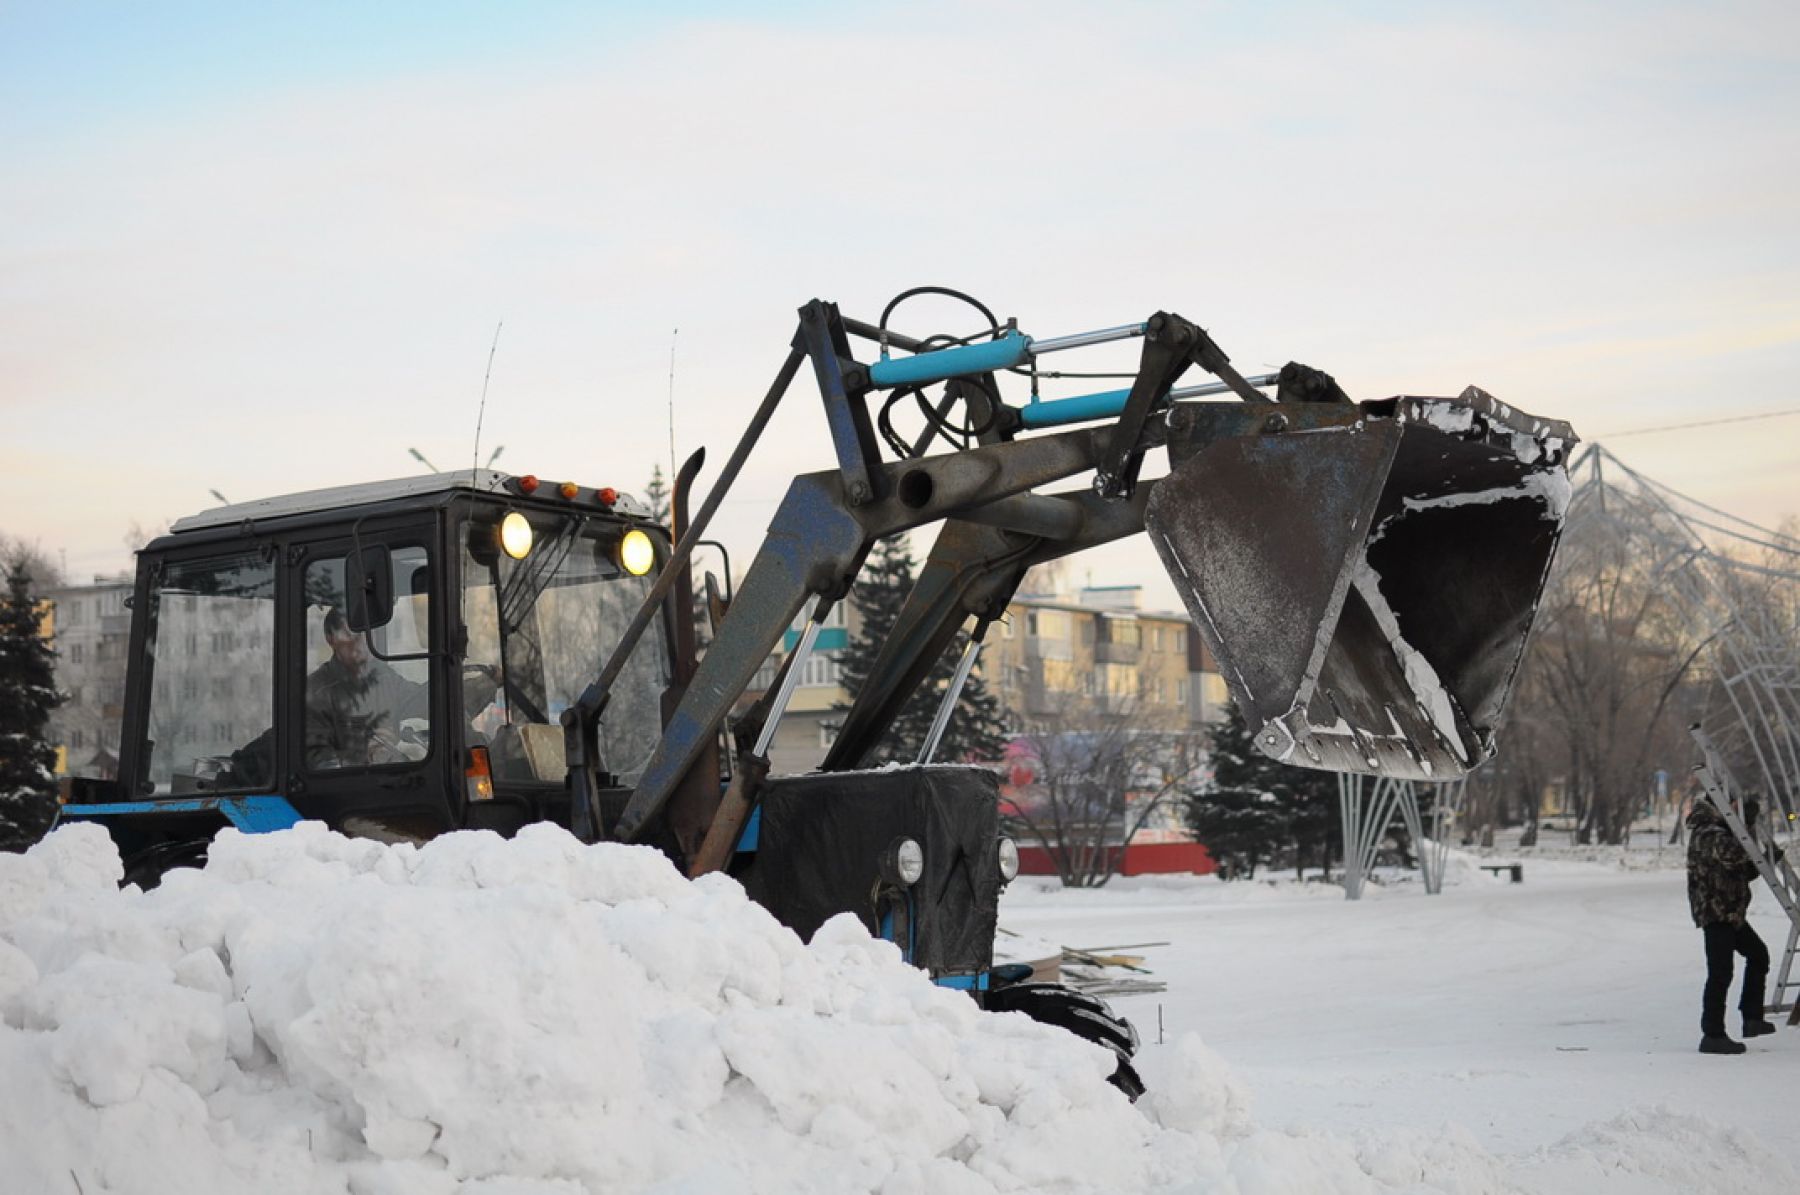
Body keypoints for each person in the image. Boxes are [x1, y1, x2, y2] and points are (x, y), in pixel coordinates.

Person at [1685, 794, 1776, 1054]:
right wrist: (1746, 827)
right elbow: (1736, 857)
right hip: (1717, 912)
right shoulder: (1709, 832)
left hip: (1730, 913)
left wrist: (1765, 857)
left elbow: (1744, 870)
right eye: (1733, 806)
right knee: (1720, 972)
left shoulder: (1718, 830)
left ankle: (1752, 1018)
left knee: (1758, 955)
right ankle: (1712, 1034)